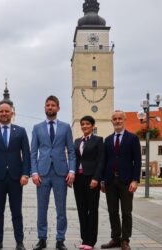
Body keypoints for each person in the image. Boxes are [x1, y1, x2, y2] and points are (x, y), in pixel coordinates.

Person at [0, 102, 31, 250]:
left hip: (16, 178)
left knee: (17, 212)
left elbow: (26, 155)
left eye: (7, 111)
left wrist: (25, 174)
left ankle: (19, 241)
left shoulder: (21, 131)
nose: (4, 114)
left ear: (12, 113)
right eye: (1, 111)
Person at [31, 95, 76, 250]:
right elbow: (33, 152)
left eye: (52, 105)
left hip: (60, 173)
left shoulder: (65, 127)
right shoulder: (37, 128)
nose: (50, 107)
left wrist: (72, 170)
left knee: (61, 208)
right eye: (47, 105)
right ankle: (42, 239)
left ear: (58, 108)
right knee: (41, 208)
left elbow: (71, 151)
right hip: (42, 174)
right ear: (45, 108)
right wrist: (34, 172)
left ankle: (60, 239)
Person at [100, 110, 141, 250]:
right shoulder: (108, 140)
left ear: (124, 120)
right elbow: (105, 162)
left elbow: (138, 161)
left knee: (126, 212)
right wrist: (103, 181)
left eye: (120, 118)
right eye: (115, 119)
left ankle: (125, 240)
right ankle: (115, 238)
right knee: (112, 211)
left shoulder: (133, 138)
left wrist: (135, 180)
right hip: (110, 181)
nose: (117, 121)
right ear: (112, 121)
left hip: (126, 181)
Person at [73, 116, 104, 250]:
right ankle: (84, 238)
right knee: (81, 209)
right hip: (78, 179)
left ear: (92, 126)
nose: (84, 126)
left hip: (91, 178)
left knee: (92, 209)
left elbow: (101, 161)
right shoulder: (77, 141)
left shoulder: (98, 140)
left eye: (87, 124)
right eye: (83, 124)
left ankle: (91, 240)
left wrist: (96, 178)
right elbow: (74, 159)